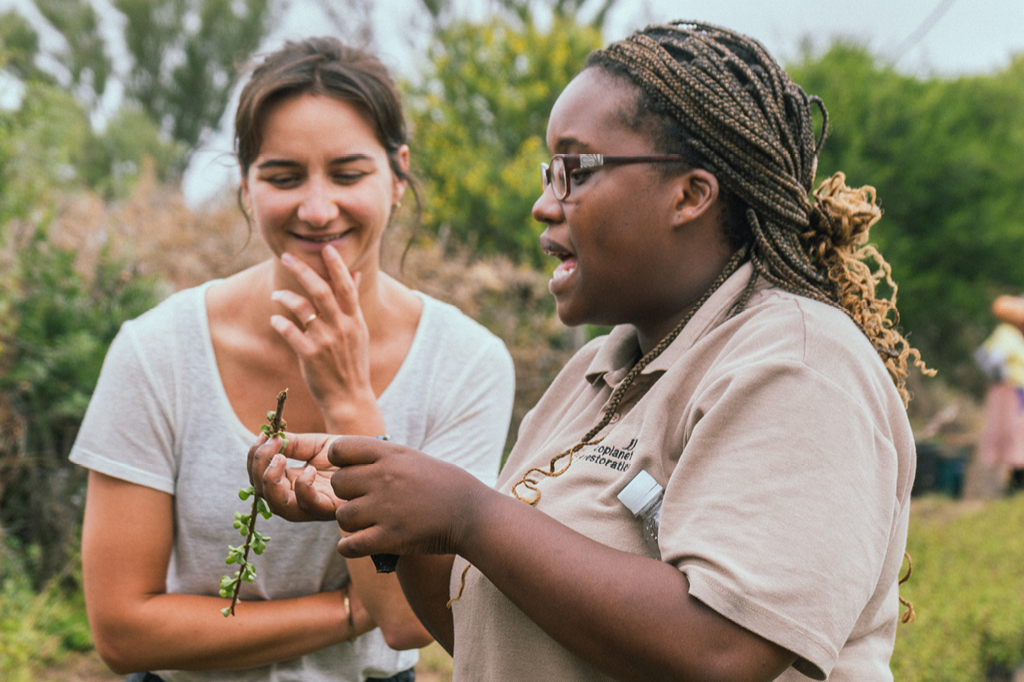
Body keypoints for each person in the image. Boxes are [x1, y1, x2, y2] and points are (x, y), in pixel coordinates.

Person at [249, 22, 928, 682]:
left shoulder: (800, 364)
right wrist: (391, 517)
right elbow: (490, 629)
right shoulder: (599, 369)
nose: (545, 204)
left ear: (690, 193)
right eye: (551, 172)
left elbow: (724, 649)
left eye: (573, 170)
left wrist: (468, 513)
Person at [70, 37, 515, 682]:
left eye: (348, 173)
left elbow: (407, 623)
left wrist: (350, 401)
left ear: (397, 178)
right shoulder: (157, 350)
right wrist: (344, 610)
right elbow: (122, 630)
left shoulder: (468, 363)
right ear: (247, 188)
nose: (315, 208)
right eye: (282, 177)